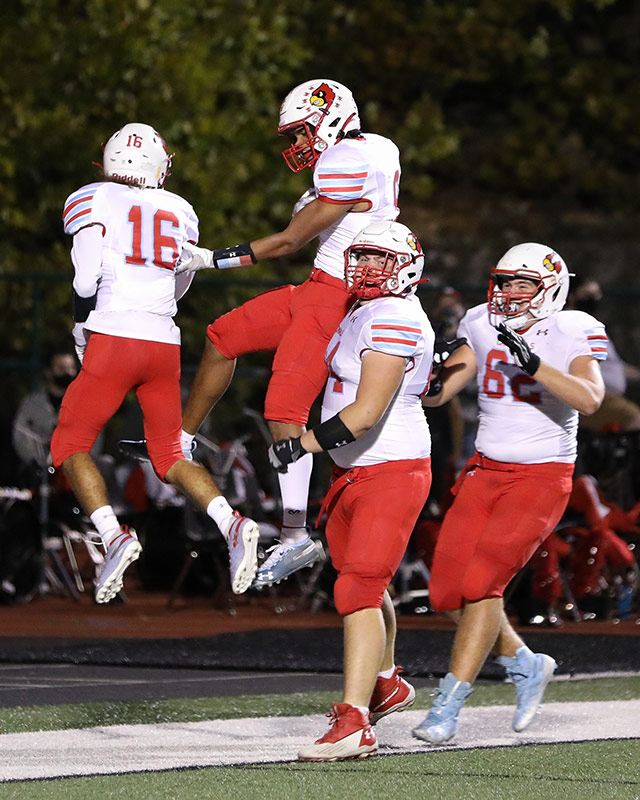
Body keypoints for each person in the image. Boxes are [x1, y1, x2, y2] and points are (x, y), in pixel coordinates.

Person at [124, 79, 403, 589]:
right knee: (222, 336)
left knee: (284, 411)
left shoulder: (346, 159)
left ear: (329, 120)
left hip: (335, 298)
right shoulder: (375, 148)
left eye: (300, 133)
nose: (296, 145)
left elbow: (290, 241)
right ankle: (181, 441)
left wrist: (211, 258)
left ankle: (295, 534)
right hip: (318, 286)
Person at [50, 123, 260, 604]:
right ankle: (231, 522)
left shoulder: (91, 197)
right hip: (163, 341)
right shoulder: (179, 209)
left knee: (69, 443)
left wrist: (83, 328)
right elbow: (180, 279)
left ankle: (113, 536)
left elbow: (84, 280)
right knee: (168, 455)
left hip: (113, 335)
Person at [413, 242, 606, 744]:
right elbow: (441, 391)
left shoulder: (571, 327)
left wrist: (535, 363)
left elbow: (591, 398)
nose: (510, 293)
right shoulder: (481, 321)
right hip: (483, 471)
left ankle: (449, 703)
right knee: (445, 594)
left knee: (482, 586)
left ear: (551, 288)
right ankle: (525, 661)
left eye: (523, 284)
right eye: (504, 282)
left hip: (540, 476)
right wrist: (425, 372)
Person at [269, 221, 434, 761]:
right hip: (356, 471)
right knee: (361, 580)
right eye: (360, 256)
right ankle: (385, 681)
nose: (365, 268)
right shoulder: (368, 310)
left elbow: (364, 415)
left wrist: (300, 446)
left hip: (389, 468)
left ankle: (354, 723)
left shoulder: (393, 316)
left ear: (406, 267)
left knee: (358, 589)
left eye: (379, 259)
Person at [13, 346, 79, 473]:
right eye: (61, 368)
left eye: (71, 368)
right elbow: (20, 435)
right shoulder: (31, 404)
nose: (68, 373)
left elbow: (94, 440)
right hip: (36, 469)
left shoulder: (83, 405)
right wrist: (36, 462)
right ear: (48, 372)